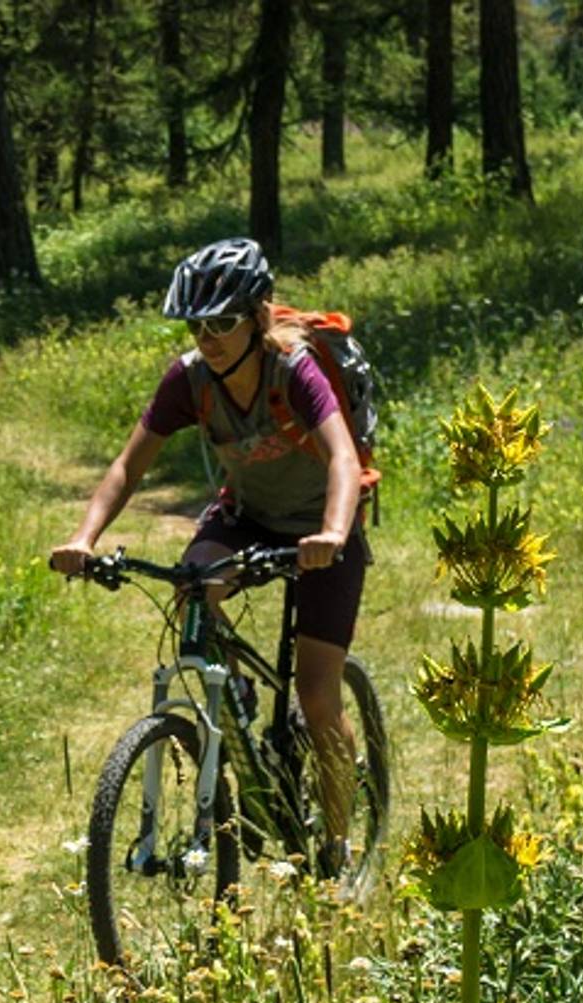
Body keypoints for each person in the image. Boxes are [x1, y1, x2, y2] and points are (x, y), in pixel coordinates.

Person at [49, 236, 367, 871]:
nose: (207, 337)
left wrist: (332, 534)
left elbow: (342, 456)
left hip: (320, 530)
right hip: (248, 517)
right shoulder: (190, 379)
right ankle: (240, 703)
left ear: (257, 318)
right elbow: (127, 466)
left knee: (317, 692)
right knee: (193, 586)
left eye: (222, 322)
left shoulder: (294, 370)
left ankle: (339, 846)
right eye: (197, 324)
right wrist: (84, 538)